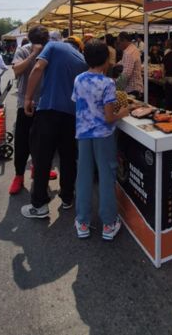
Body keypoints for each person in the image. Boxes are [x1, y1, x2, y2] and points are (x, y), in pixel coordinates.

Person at [21, 35, 88, 219]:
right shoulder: (83, 60)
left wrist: (28, 98)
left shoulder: (53, 45)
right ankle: (67, 198)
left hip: (49, 110)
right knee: (67, 158)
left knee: (42, 158)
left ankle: (40, 205)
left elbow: (37, 67)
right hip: (72, 116)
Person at [72, 40, 131, 240]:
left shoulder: (78, 79)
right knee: (107, 177)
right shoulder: (108, 83)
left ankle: (82, 222)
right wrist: (123, 112)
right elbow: (108, 116)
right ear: (106, 60)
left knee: (84, 177)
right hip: (103, 136)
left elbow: (79, 105)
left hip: (83, 135)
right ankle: (109, 224)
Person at [8, 26, 56, 195]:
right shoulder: (23, 50)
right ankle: (19, 176)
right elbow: (16, 70)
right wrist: (33, 54)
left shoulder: (52, 50)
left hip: (46, 103)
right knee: (22, 141)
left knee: (43, 142)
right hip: (25, 103)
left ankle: (38, 169)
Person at [117, 32, 143, 99]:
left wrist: (117, 86)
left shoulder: (129, 52)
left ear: (124, 41)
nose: (118, 45)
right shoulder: (132, 48)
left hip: (132, 89)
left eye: (119, 43)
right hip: (135, 87)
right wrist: (115, 65)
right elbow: (123, 62)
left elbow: (126, 73)